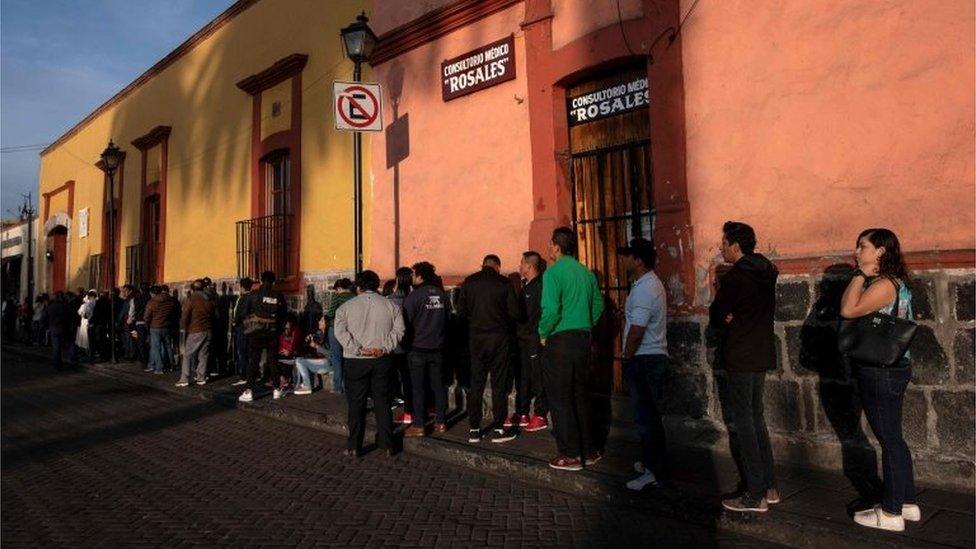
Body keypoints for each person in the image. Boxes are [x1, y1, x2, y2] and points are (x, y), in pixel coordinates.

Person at [840, 228, 920, 532]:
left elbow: (848, 310)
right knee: (894, 438)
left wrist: (859, 275)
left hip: (880, 370)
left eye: (863, 246)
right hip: (894, 367)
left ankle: (890, 513)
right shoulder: (896, 282)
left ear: (880, 252)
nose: (857, 251)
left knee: (889, 440)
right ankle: (907, 502)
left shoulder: (885, 284)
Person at [709, 221, 779, 513]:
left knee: (745, 423)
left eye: (724, 243)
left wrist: (727, 319)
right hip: (761, 352)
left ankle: (754, 493)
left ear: (736, 246)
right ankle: (770, 486)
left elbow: (717, 313)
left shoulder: (737, 277)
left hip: (740, 354)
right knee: (756, 418)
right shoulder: (767, 271)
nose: (721, 248)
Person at [539, 228, 605, 471]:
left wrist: (543, 333)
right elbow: (598, 305)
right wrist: (585, 322)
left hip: (561, 340)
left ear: (556, 247)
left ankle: (569, 454)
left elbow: (551, 309)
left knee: (560, 398)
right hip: (583, 338)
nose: (549, 249)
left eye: (550, 245)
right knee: (581, 396)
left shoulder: (553, 273)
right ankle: (590, 449)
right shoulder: (586, 273)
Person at [616, 238, 671, 490]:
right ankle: (652, 463)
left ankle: (654, 471)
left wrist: (627, 355)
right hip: (649, 356)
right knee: (647, 416)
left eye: (628, 255)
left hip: (645, 358)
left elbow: (637, 330)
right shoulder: (646, 284)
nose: (623, 259)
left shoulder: (646, 288)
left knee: (646, 417)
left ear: (638, 260)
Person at [334, 270, 405, 457]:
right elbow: (399, 330)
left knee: (356, 405)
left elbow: (340, 332)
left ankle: (354, 445)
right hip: (382, 359)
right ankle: (387, 443)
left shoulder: (345, 308)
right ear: (377, 285)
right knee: (383, 402)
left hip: (355, 361)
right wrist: (384, 347)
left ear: (358, 286)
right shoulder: (391, 306)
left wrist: (357, 348)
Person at [457, 254, 520, 444]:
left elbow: (461, 313)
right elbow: (515, 312)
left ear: (482, 265)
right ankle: (499, 427)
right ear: (498, 267)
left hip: (476, 339)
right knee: (499, 384)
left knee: (476, 383)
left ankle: (474, 429)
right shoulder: (504, 283)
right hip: (499, 339)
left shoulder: (469, 282)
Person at [401, 261, 450, 437]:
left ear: (420, 276)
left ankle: (419, 424)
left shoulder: (414, 297)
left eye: (413, 274)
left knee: (418, 388)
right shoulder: (442, 295)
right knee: (438, 386)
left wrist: (406, 344)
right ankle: (441, 422)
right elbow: (447, 320)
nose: (412, 277)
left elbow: (405, 323)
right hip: (437, 347)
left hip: (418, 348)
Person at [510, 251, 550, 433]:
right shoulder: (525, 285)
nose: (519, 266)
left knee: (537, 375)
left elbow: (537, 314)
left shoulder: (540, 286)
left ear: (529, 266)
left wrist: (533, 332)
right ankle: (522, 412)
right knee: (523, 376)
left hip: (534, 338)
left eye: (521, 263)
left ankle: (540, 414)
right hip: (522, 339)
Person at [236, 270, 287, 402]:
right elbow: (283, 316)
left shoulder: (253, 295)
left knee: (254, 361)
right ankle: (276, 389)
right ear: (273, 282)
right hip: (272, 332)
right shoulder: (278, 296)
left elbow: (243, 313)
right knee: (273, 361)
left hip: (256, 332)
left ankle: (249, 391)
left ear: (261, 280)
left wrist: (251, 321)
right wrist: (278, 329)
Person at [177, 279, 216, 387]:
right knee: (203, 355)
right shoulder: (209, 299)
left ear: (192, 289)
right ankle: (201, 378)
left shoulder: (191, 299)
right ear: (203, 288)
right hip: (208, 330)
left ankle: (184, 378)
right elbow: (214, 315)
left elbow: (185, 315)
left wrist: (182, 328)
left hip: (196, 330)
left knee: (187, 354)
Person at [388, 267, 414, 425]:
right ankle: (410, 411)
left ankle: (397, 405)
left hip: (394, 346)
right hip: (412, 345)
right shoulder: (413, 299)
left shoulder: (389, 300)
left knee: (393, 377)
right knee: (410, 380)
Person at [325, 278, 355, 394]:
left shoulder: (337, 297)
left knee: (336, 358)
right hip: (350, 329)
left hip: (335, 328)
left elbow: (331, 312)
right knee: (348, 358)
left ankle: (338, 387)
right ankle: (347, 387)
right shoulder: (354, 297)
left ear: (339, 288)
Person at [294, 316, 331, 395]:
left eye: (321, 321)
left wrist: (317, 346)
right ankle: (303, 384)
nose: (319, 322)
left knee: (300, 361)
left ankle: (307, 386)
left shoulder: (330, 336)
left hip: (328, 363)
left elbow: (331, 354)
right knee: (299, 360)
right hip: (319, 362)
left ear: (326, 324)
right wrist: (308, 339)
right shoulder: (319, 334)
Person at [144, 285, 177, 374]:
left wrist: (147, 325)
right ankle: (171, 365)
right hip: (167, 326)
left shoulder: (152, 302)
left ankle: (159, 368)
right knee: (168, 346)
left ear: (152, 293)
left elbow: (146, 316)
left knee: (156, 348)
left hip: (155, 327)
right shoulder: (170, 301)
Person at [46, 292, 77, 370]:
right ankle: (72, 359)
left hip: (54, 328)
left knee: (56, 347)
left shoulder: (51, 307)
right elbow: (73, 315)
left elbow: (44, 317)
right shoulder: (65, 306)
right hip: (65, 328)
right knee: (71, 343)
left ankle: (57, 365)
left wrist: (48, 324)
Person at [231, 277, 254, 385]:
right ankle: (252, 373)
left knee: (242, 351)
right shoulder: (254, 297)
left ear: (242, 287)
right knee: (250, 351)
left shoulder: (243, 298)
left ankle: (243, 375)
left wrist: (235, 322)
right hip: (252, 327)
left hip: (242, 327)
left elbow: (240, 313)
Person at [277, 313, 303, 390]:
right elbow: (280, 344)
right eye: (285, 327)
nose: (287, 329)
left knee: (289, 360)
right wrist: (281, 350)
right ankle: (282, 379)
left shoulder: (296, 331)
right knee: (273, 359)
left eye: (288, 327)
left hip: (295, 354)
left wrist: (289, 351)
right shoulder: (281, 333)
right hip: (284, 354)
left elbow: (294, 345)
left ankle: (285, 380)